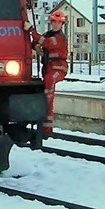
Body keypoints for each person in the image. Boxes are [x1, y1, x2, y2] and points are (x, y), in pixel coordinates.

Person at [31, 8, 69, 137]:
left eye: (58, 22)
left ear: (62, 24)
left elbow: (46, 43)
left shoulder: (59, 38)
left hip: (58, 67)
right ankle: (46, 128)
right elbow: (37, 41)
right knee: (47, 86)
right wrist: (35, 45)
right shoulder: (48, 34)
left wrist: (31, 31)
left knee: (49, 83)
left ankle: (45, 103)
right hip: (48, 67)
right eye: (54, 22)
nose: (56, 24)